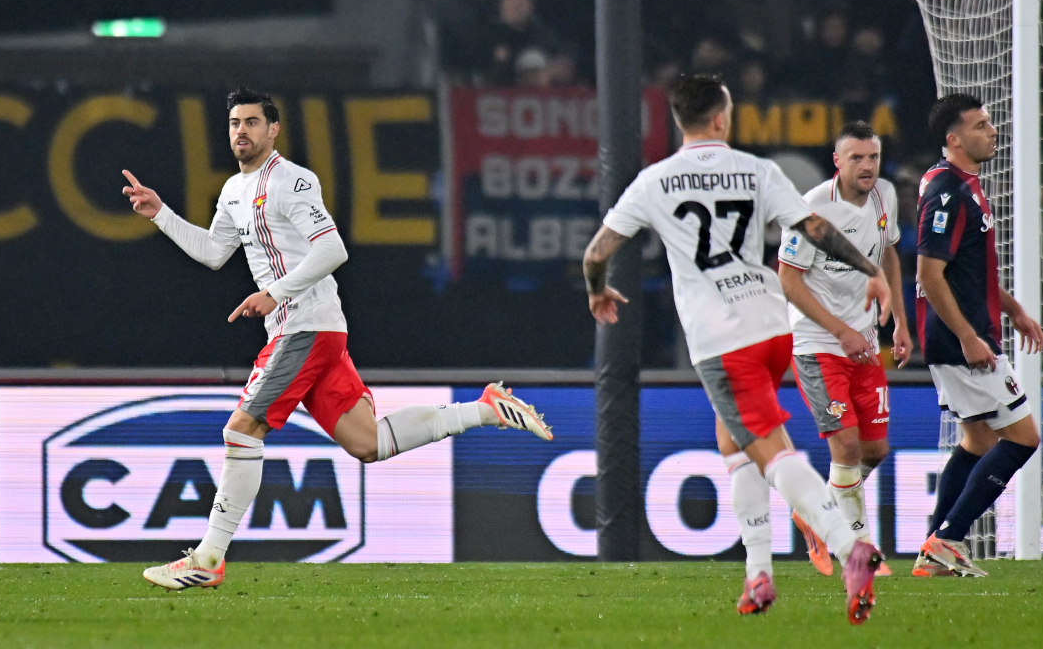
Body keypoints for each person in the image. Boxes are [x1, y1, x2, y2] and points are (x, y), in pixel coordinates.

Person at [122, 87, 553, 590]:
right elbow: (215, 252)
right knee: (367, 443)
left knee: (241, 428)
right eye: (235, 123)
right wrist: (163, 216)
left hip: (304, 324)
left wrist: (273, 293)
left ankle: (208, 558)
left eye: (252, 122)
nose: (241, 131)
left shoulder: (293, 181)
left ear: (273, 129)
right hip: (310, 329)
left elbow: (332, 250)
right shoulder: (233, 192)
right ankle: (486, 408)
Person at [582, 74, 889, 624]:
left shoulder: (654, 181)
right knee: (735, 442)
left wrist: (596, 289)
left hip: (722, 339)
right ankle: (759, 573)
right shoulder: (758, 170)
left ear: (680, 121)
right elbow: (815, 226)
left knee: (770, 451)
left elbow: (597, 251)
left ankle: (850, 547)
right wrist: (870, 268)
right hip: (772, 326)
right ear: (723, 118)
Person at [912, 93, 1043, 577]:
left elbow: (974, 272)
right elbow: (929, 273)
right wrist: (970, 336)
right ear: (954, 139)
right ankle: (948, 539)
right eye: (981, 125)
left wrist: (1014, 310)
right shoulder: (947, 190)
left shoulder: (961, 184)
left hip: (970, 334)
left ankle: (935, 543)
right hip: (964, 341)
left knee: (979, 438)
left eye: (989, 123)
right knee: (1023, 438)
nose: (992, 131)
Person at [776, 121, 912, 578]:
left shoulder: (884, 196)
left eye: (872, 157)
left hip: (865, 345)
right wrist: (840, 331)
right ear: (837, 162)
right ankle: (859, 549)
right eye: (856, 158)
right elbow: (788, 281)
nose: (867, 166)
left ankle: (820, 516)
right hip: (818, 345)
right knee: (847, 447)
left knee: (874, 451)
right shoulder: (813, 208)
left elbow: (889, 254)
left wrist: (900, 322)